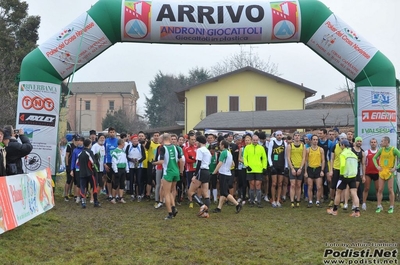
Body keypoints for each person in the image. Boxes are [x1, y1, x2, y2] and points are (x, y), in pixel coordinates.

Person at [153, 133, 184, 220]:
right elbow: (181, 161)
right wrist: (181, 171)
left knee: (166, 193)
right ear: (170, 138)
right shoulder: (176, 147)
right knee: (171, 191)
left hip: (168, 172)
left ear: (162, 139)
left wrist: (153, 163)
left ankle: (170, 213)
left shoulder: (163, 148)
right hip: (176, 171)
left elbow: (161, 162)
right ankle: (173, 207)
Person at [327, 140, 361, 217]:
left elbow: (342, 166)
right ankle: (357, 211)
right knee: (354, 193)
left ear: (343, 145)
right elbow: (356, 166)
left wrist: (341, 175)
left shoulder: (343, 154)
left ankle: (335, 210)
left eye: (340, 145)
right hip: (353, 175)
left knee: (338, 192)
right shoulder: (353, 154)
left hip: (345, 176)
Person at [211, 140, 243, 214]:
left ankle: (237, 204)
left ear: (222, 145)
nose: (219, 146)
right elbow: (233, 164)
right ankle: (219, 208)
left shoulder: (223, 153)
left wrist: (214, 172)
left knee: (224, 192)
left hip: (223, 174)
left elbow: (220, 163)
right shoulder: (229, 153)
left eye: (220, 144)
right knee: (223, 192)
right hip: (228, 173)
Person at [372, 136, 400, 214]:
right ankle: (379, 206)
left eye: (382, 141)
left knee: (390, 189)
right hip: (382, 172)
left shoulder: (394, 150)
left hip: (390, 172)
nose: (380, 143)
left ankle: (391, 206)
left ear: (387, 142)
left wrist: (396, 167)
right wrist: (377, 166)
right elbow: (374, 158)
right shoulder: (381, 150)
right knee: (380, 189)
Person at [187, 135, 212, 216]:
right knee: (206, 194)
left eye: (196, 141)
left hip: (201, 171)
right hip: (207, 171)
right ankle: (206, 213)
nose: (195, 143)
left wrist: (194, 175)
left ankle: (202, 205)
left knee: (191, 191)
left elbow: (199, 163)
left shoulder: (200, 150)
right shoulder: (207, 151)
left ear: (199, 142)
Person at [243, 134, 267, 208]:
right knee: (252, 185)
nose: (255, 141)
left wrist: (264, 167)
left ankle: (259, 201)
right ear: (251, 140)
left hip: (259, 169)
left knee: (258, 185)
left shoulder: (261, 148)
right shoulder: (247, 147)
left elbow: (264, 158)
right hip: (250, 169)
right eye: (254, 140)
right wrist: (247, 166)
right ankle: (252, 201)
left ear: (258, 140)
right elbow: (244, 157)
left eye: (256, 140)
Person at [78, 139, 100, 208]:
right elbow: (93, 162)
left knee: (82, 187)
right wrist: (96, 158)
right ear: (89, 144)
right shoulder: (89, 152)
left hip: (82, 173)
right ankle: (95, 202)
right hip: (90, 173)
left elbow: (77, 163)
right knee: (94, 187)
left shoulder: (80, 153)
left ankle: (83, 203)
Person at [268, 130, 288, 207]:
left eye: (280, 135)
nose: (279, 136)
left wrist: (286, 166)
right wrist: (271, 165)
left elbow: (285, 156)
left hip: (281, 166)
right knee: (274, 183)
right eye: (278, 135)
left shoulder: (284, 144)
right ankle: (273, 200)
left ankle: (278, 200)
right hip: (274, 166)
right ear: (275, 136)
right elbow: (269, 155)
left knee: (280, 184)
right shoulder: (272, 143)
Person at [304, 135, 325, 208]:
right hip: (310, 169)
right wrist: (305, 171)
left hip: (318, 169)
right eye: (314, 139)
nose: (315, 141)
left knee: (319, 187)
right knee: (310, 186)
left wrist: (322, 170)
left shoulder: (321, 150)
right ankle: (310, 201)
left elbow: (323, 161)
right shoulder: (308, 150)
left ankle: (318, 201)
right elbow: (306, 161)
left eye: (316, 139)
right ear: (311, 140)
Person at [286, 131, 306, 208]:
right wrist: (292, 168)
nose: (297, 137)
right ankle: (292, 201)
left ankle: (298, 200)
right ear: (293, 137)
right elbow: (288, 157)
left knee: (298, 185)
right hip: (293, 167)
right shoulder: (290, 146)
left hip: (300, 167)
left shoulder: (303, 146)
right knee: (292, 185)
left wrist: (301, 168)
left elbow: (304, 157)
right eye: (296, 136)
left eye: (298, 135)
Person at [125, 134, 146, 201]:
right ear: (131, 140)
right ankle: (132, 194)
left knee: (138, 180)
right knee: (131, 180)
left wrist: (138, 161)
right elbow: (126, 156)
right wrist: (131, 160)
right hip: (131, 166)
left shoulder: (140, 146)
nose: (135, 141)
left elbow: (144, 156)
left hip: (139, 166)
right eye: (134, 139)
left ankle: (139, 194)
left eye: (136, 139)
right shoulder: (129, 146)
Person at [362, 138, 379, 211]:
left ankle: (379, 204)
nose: (373, 143)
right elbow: (364, 164)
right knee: (366, 188)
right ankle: (364, 203)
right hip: (368, 173)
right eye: (372, 142)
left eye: (374, 142)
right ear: (370, 143)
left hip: (377, 173)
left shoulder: (379, 152)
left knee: (378, 189)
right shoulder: (366, 152)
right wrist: (363, 174)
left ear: (376, 143)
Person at [111, 139, 129, 204]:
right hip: (118, 169)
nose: (124, 144)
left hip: (123, 169)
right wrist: (115, 171)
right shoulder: (115, 151)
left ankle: (120, 197)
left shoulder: (123, 151)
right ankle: (113, 198)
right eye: (123, 143)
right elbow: (114, 162)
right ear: (121, 143)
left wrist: (127, 170)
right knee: (115, 184)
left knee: (122, 184)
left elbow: (125, 161)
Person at [104, 127, 119, 201]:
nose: (112, 133)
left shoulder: (118, 141)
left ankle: (116, 194)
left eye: (113, 132)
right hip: (108, 162)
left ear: (115, 133)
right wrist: (104, 163)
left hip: (116, 163)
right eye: (110, 132)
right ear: (108, 133)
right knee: (109, 179)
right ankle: (109, 194)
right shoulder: (106, 141)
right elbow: (103, 153)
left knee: (116, 179)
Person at [183, 132, 197, 208]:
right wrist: (194, 160)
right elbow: (187, 160)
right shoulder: (185, 148)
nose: (193, 141)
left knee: (197, 185)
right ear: (188, 140)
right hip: (189, 169)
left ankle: (197, 200)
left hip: (196, 169)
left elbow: (198, 158)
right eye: (192, 139)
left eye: (194, 139)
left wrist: (194, 159)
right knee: (190, 185)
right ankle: (190, 201)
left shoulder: (196, 147)